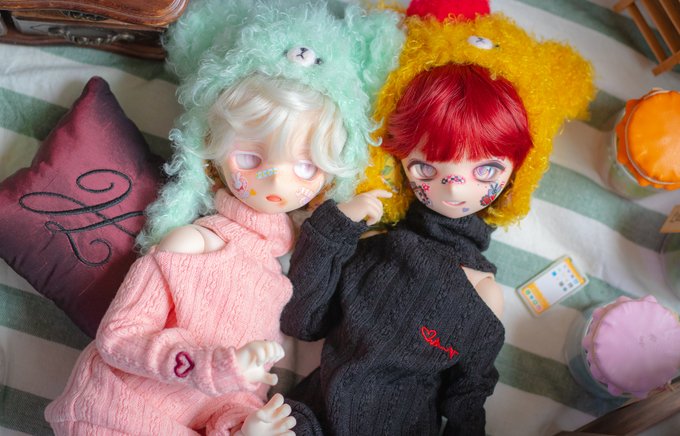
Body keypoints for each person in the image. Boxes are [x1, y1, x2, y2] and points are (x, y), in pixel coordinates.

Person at [44, 1, 404, 434]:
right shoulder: (193, 245)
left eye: (306, 167)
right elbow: (118, 337)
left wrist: (243, 426)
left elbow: (232, 397)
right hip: (112, 415)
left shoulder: (274, 281)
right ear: (211, 146)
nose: (276, 180)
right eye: (250, 158)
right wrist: (213, 365)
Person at [280, 1, 595, 435]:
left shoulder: (483, 293)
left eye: (486, 169)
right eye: (426, 168)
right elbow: (301, 321)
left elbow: (467, 399)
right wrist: (333, 231)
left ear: (520, 172)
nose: (455, 188)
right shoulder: (372, 247)